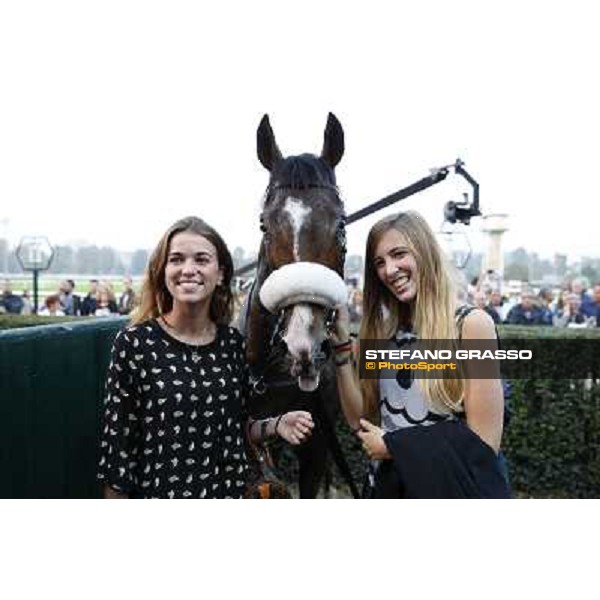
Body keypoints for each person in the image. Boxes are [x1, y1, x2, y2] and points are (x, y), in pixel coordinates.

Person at [97, 216, 314, 499]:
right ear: (163, 271)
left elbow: (236, 427)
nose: (188, 269)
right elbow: (118, 453)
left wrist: (276, 424)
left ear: (221, 273)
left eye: (201, 259)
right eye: (176, 259)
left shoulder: (233, 345)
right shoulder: (135, 344)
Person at [332, 211, 509, 498]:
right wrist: (341, 349)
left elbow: (485, 440)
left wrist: (393, 447)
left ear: (424, 251)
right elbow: (360, 423)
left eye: (398, 254)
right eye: (379, 262)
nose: (389, 270)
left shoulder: (471, 325)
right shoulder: (380, 335)